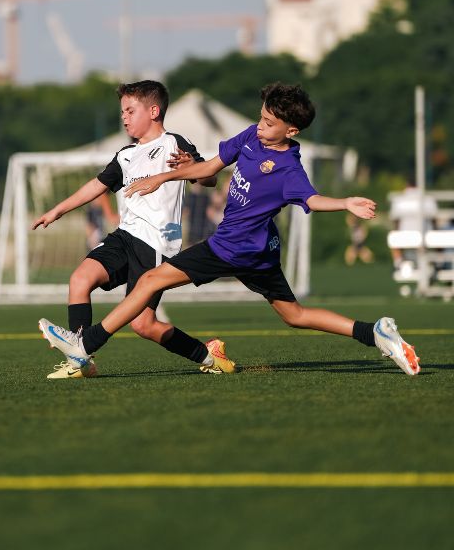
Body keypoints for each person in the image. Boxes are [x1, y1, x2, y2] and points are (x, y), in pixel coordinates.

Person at [39, 83, 421, 377]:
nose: (261, 124)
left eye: (270, 123)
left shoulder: (289, 170)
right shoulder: (250, 138)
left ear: (291, 130)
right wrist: (165, 176)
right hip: (261, 250)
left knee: (151, 281)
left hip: (230, 248)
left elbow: (312, 199)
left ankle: (86, 343)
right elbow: (208, 169)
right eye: (261, 116)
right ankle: (376, 333)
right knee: (295, 315)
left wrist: (345, 203)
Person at [32, 79, 224, 379]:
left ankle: (208, 355)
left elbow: (209, 179)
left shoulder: (173, 143)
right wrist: (58, 209)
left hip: (156, 244)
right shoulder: (125, 155)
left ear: (154, 110)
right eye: (122, 111)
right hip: (125, 236)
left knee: (143, 325)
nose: (124, 117)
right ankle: (80, 357)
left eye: (130, 110)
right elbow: (97, 186)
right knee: (80, 279)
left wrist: (191, 169)